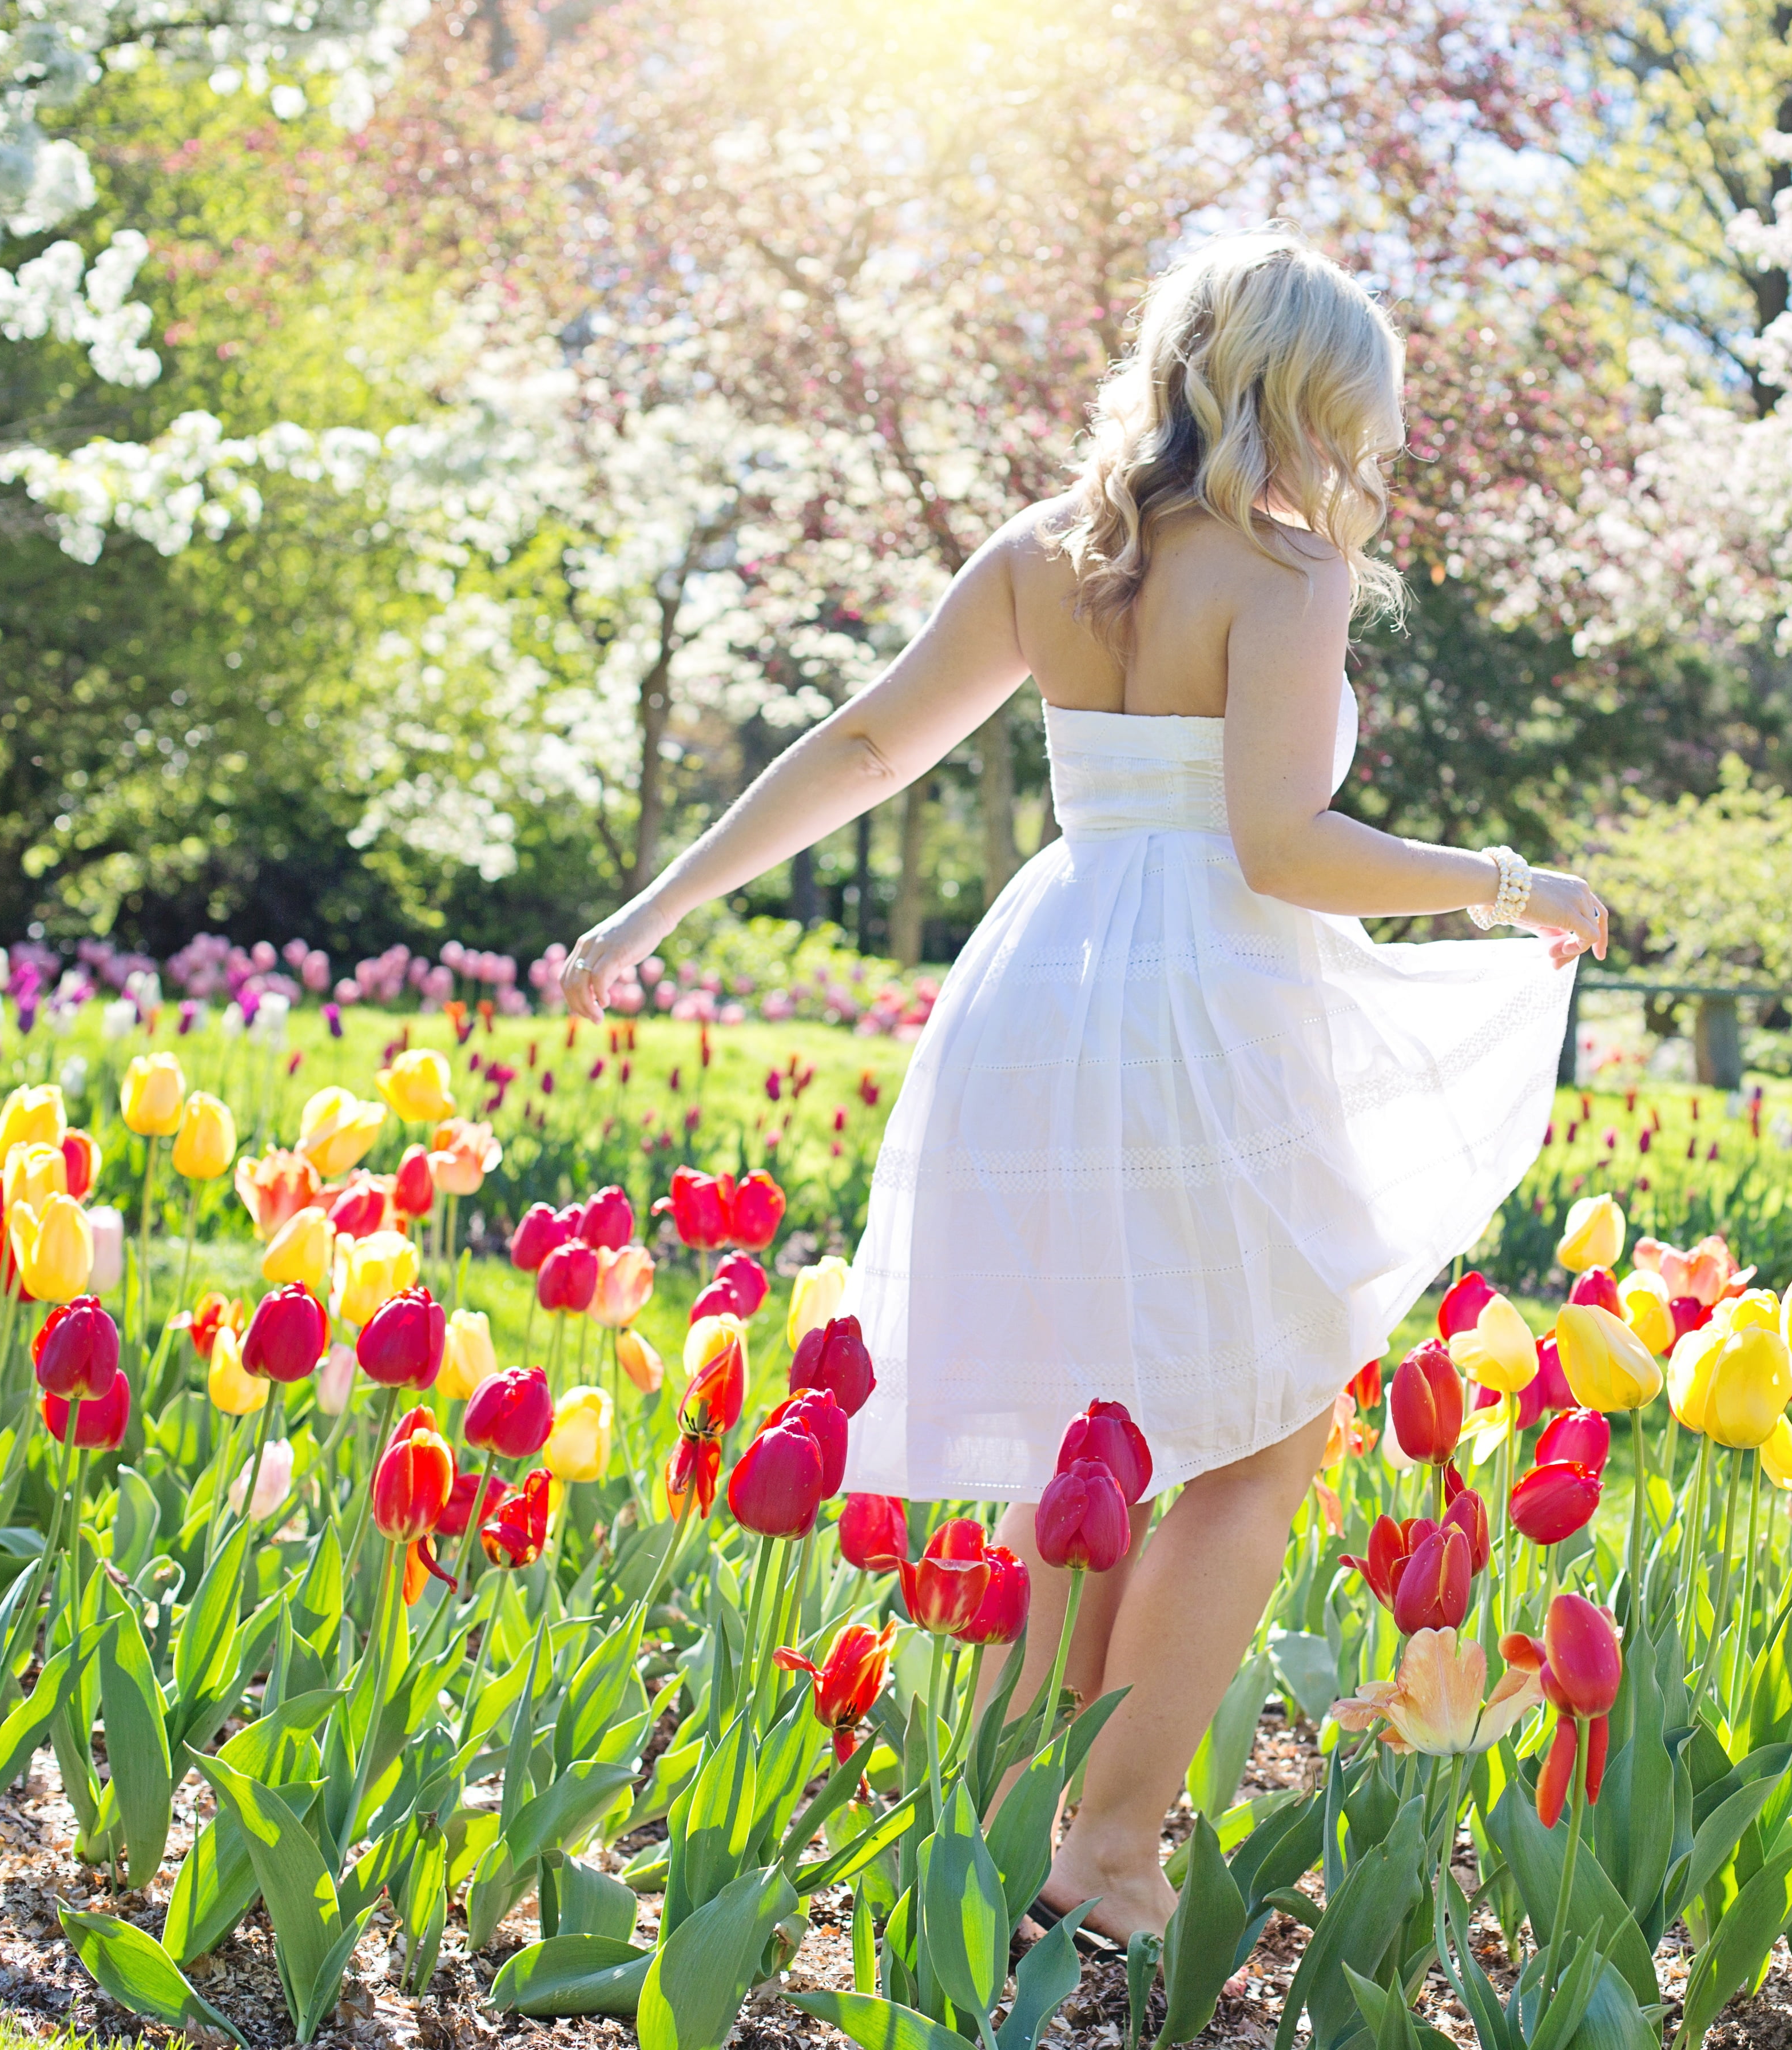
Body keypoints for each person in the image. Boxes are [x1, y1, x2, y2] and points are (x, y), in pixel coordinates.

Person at [559, 231, 1603, 1944]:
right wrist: (1508, 884)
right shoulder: (1283, 575)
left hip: (1043, 988)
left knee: (1096, 1439)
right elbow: (1279, 845)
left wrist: (658, 903)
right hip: (1208, 1002)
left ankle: (1013, 1838)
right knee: (1263, 1438)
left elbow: (868, 744)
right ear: (1309, 396)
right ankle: (1112, 1853)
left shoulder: (1051, 554)